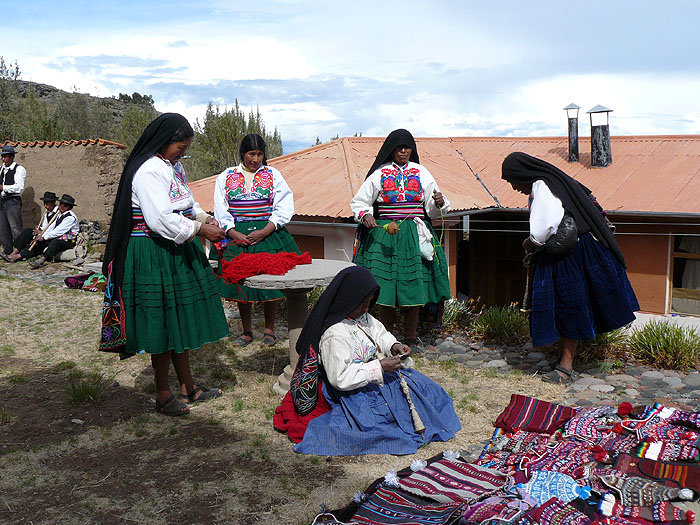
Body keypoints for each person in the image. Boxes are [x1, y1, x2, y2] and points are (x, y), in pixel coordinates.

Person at [99, 113, 230, 416]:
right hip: (153, 251)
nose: (184, 152)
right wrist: (199, 230)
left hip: (174, 248)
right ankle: (162, 393)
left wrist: (202, 217)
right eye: (180, 147)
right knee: (162, 323)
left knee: (179, 319)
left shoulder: (173, 167)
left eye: (186, 148)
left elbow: (185, 203)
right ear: (164, 141)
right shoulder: (148, 172)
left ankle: (188, 386)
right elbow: (159, 219)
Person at [280, 266, 461, 455]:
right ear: (348, 300)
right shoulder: (335, 334)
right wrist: (379, 367)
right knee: (386, 417)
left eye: (369, 304)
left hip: (372, 376)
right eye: (362, 305)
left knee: (425, 390)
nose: (366, 309)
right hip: (351, 390)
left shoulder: (362, 316)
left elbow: (379, 333)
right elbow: (339, 378)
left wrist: (394, 345)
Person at [501, 152, 639, 384]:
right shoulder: (555, 182)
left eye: (512, 181)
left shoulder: (542, 186)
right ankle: (564, 360)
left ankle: (565, 367)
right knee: (573, 305)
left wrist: (531, 243)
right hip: (580, 250)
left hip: (569, 257)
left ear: (522, 174)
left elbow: (547, 224)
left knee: (568, 305)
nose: (514, 187)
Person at [350, 129, 451, 350]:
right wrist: (366, 214)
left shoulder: (421, 172)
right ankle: (386, 338)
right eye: (398, 147)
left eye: (407, 148)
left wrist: (439, 202)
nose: (403, 151)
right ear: (391, 150)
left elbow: (433, 208)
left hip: (414, 235)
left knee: (411, 284)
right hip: (384, 234)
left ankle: (410, 337)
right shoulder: (379, 173)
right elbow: (359, 202)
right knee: (384, 287)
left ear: (412, 150)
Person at [211, 133, 299, 347]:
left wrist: (265, 230)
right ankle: (247, 331)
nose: (256, 159)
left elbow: (283, 206)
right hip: (237, 234)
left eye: (260, 154)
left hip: (268, 233)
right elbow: (221, 208)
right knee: (243, 281)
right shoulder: (226, 176)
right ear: (243, 153)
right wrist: (232, 232)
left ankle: (269, 330)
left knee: (272, 281)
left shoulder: (273, 175)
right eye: (252, 154)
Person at [6, 193, 78, 268]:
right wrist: (41, 235)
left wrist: (44, 237)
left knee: (55, 242)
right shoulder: (59, 214)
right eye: (61, 204)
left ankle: (42, 259)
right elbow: (51, 227)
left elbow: (58, 231)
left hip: (68, 241)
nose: (62, 207)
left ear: (70, 207)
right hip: (56, 237)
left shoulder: (70, 218)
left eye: (65, 205)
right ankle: (18, 255)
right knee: (37, 243)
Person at [1, 191, 58, 263]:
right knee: (28, 232)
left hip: (50, 236)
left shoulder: (58, 214)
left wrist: (41, 233)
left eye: (47, 204)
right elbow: (45, 226)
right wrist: (38, 229)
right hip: (44, 233)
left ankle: (17, 257)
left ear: (53, 203)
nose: (45, 206)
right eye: (44, 203)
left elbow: (53, 229)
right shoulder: (47, 212)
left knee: (35, 243)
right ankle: (15, 252)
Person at [0, 145, 26, 256]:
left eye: (5, 157)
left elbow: (19, 187)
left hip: (12, 201)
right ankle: (7, 251)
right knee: (3, 228)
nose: (3, 159)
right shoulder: (2, 169)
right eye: (2, 156)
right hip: (2, 201)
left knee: (15, 228)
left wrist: (3, 188)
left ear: (11, 157)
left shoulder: (19, 169)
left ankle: (20, 252)